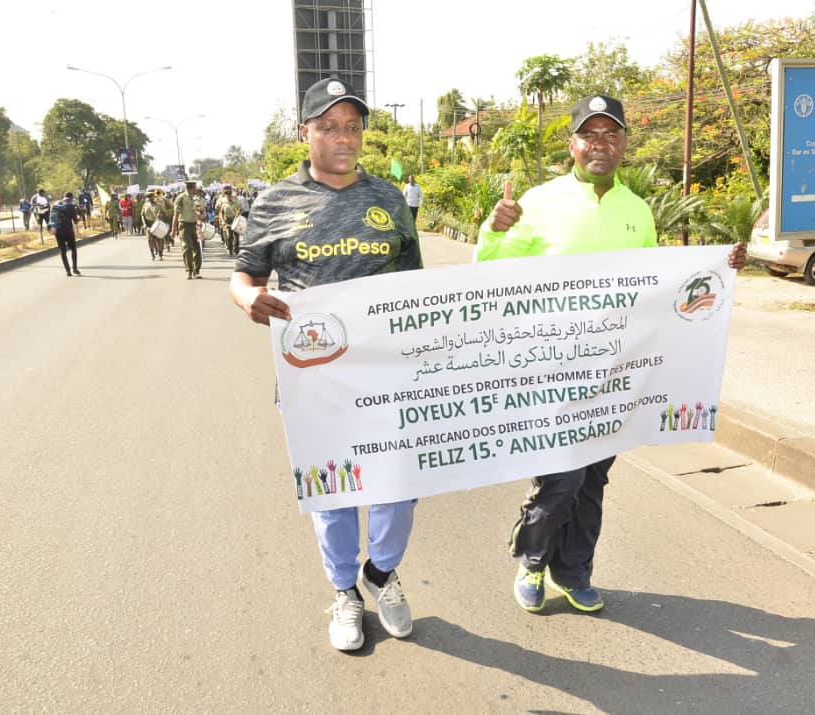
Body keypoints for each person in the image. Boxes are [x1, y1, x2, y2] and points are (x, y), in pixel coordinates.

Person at [476, 93, 747, 615]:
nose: (600, 145)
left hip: (613, 373)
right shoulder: (537, 201)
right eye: (589, 135)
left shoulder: (637, 210)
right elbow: (489, 269)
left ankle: (573, 571)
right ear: (572, 143)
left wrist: (720, 264)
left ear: (624, 143)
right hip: (552, 370)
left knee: (594, 478)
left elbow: (656, 286)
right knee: (562, 475)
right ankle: (532, 557)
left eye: (611, 135)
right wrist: (497, 228)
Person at [229, 77, 423, 652]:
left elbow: (415, 289)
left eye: (353, 127)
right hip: (313, 377)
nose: (344, 137)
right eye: (330, 127)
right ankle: (344, 590)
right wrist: (246, 299)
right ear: (305, 133)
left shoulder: (389, 200)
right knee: (333, 491)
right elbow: (245, 275)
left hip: (387, 374)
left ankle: (380, 575)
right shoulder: (273, 204)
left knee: (399, 487)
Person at [173, 179, 203, 279]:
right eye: (195, 187)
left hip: (195, 225)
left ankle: (196, 270)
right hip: (184, 226)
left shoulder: (196, 198)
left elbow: (199, 212)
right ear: (192, 187)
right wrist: (173, 230)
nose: (196, 189)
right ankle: (189, 270)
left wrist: (201, 221)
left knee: (197, 248)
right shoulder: (180, 198)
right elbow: (176, 215)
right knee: (188, 248)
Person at [49, 192, 82, 277]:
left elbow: (52, 218)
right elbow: (75, 221)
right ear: (71, 197)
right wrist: (80, 215)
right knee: (73, 249)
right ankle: (74, 268)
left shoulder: (56, 205)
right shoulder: (70, 206)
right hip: (68, 231)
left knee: (63, 251)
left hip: (58, 232)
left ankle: (68, 271)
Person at [141, 192, 164, 260]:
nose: (149, 199)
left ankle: (160, 255)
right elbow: (142, 215)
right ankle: (152, 254)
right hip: (148, 224)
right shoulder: (145, 205)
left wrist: (160, 215)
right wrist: (144, 223)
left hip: (156, 223)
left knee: (158, 240)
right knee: (150, 240)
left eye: (151, 197)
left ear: (153, 197)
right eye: (148, 197)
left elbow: (164, 213)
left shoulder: (159, 205)